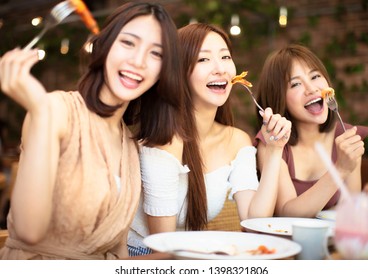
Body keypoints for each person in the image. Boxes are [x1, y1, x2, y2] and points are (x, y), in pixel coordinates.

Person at [0, 2, 186, 259]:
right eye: (128, 43)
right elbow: (29, 231)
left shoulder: (130, 145)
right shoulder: (55, 110)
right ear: (104, 45)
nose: (138, 61)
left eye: (157, 54)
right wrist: (41, 114)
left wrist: (188, 258)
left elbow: (118, 256)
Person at [127, 23, 292, 256]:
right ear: (179, 73)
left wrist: (274, 150)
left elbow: (254, 222)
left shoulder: (237, 140)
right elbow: (162, 246)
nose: (220, 68)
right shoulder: (163, 143)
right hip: (146, 256)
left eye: (225, 56)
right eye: (203, 59)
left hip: (189, 253)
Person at [253, 44, 368, 218]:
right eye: (296, 84)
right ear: (279, 98)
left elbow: (350, 210)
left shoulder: (347, 136)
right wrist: (340, 169)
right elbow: (286, 213)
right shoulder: (272, 143)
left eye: (315, 76)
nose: (312, 88)